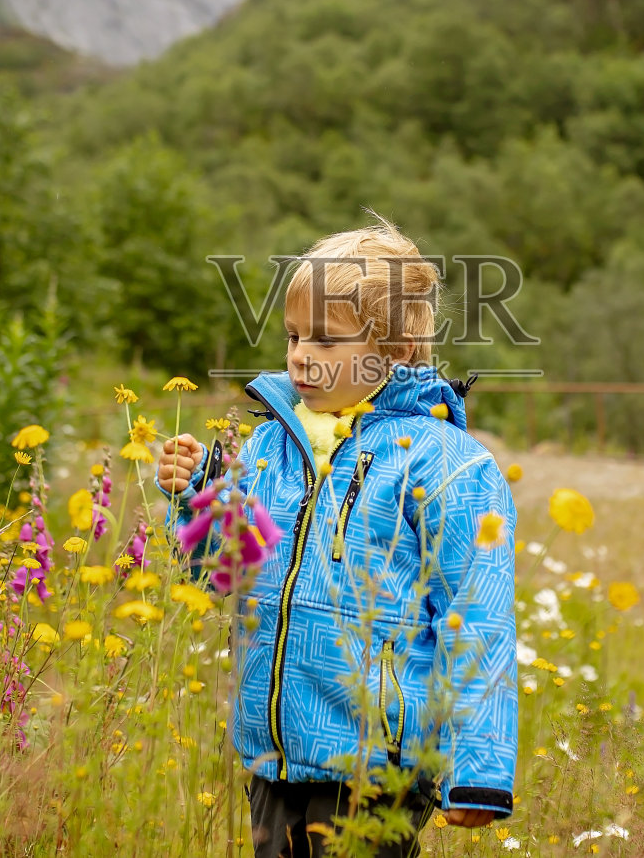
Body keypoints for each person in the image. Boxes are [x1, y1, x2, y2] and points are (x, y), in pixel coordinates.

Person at [157, 221, 518, 858]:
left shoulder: (446, 463)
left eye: (325, 339)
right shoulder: (272, 446)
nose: (300, 355)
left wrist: (478, 771)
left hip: (377, 763)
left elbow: (477, 614)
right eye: (294, 335)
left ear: (397, 349)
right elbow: (227, 576)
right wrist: (196, 495)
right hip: (275, 751)